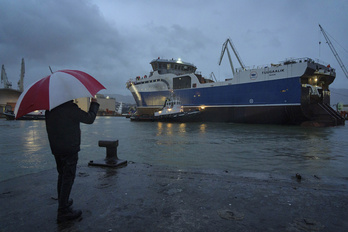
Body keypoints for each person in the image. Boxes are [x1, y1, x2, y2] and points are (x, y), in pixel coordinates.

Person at [45, 98, 99, 223]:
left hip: (56, 148)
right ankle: (63, 211)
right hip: (70, 148)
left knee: (62, 174)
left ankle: (63, 201)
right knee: (68, 177)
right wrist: (94, 104)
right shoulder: (70, 108)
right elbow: (89, 119)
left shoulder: (49, 109)